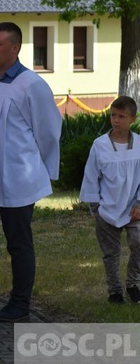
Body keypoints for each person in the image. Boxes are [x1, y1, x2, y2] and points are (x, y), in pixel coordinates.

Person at [0, 21, 61, 322]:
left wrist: (44, 169)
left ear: (15, 47)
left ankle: (20, 305)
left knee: (18, 245)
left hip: (17, 179)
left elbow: (48, 131)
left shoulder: (32, 85)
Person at [80, 96, 140, 304]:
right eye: (113, 115)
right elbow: (91, 176)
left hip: (134, 208)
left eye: (121, 116)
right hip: (107, 208)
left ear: (132, 118)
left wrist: (139, 204)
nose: (116, 120)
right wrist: (95, 207)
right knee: (110, 253)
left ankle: (133, 284)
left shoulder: (139, 145)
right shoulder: (100, 145)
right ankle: (115, 291)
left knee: (138, 242)